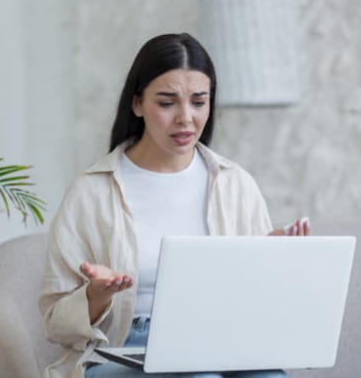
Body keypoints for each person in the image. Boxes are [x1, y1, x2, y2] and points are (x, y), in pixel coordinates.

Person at [38, 33, 310, 378]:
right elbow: (54, 323)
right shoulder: (90, 192)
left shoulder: (234, 183)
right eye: (167, 103)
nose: (185, 118)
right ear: (137, 104)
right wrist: (97, 295)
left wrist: (271, 263)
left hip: (221, 340)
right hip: (126, 348)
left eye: (199, 102)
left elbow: (255, 309)